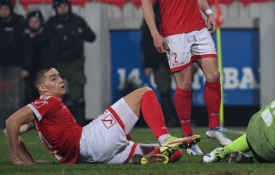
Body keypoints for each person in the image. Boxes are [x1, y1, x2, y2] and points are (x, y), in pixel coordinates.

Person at [139, 0, 231, 155]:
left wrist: (208, 13)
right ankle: (189, 136)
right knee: (185, 85)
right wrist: (155, 34)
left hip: (198, 27)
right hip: (175, 33)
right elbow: (146, 2)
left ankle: (214, 128)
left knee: (214, 75)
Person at [4, 67, 201, 165]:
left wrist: (29, 163)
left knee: (176, 154)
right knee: (145, 93)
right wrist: (16, 160)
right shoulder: (47, 101)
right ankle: (166, 138)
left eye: (59, 76)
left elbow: (10, 131)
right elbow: (11, 122)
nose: (61, 81)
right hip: (91, 141)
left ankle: (143, 158)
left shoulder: (42, 115)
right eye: (53, 79)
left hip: (93, 156)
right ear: (42, 88)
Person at [44, 0, 96, 126]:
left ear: (69, 7)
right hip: (57, 63)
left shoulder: (77, 21)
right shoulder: (51, 23)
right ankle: (59, 125)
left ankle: (80, 126)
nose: (63, 9)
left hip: (74, 63)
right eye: (60, 7)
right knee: (56, 97)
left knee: (77, 96)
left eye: (65, 6)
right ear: (55, 8)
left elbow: (91, 37)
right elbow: (44, 44)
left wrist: (82, 31)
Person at [140, 2, 178, 127]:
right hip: (160, 58)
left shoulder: (173, 13)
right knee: (165, 91)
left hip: (174, 55)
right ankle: (169, 120)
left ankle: (180, 119)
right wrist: (146, 64)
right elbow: (145, 41)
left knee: (183, 89)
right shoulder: (151, 17)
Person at [0, 0, 26, 128]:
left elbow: (25, 45)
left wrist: (25, 66)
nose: (4, 11)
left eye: (6, 9)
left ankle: (16, 122)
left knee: (16, 95)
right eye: (2, 9)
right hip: (1, 65)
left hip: (16, 65)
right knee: (2, 96)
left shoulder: (19, 23)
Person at [23, 10, 49, 104]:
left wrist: (33, 38)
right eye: (31, 21)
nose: (34, 24)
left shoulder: (46, 35)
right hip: (29, 72)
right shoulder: (24, 36)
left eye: (36, 21)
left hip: (43, 72)